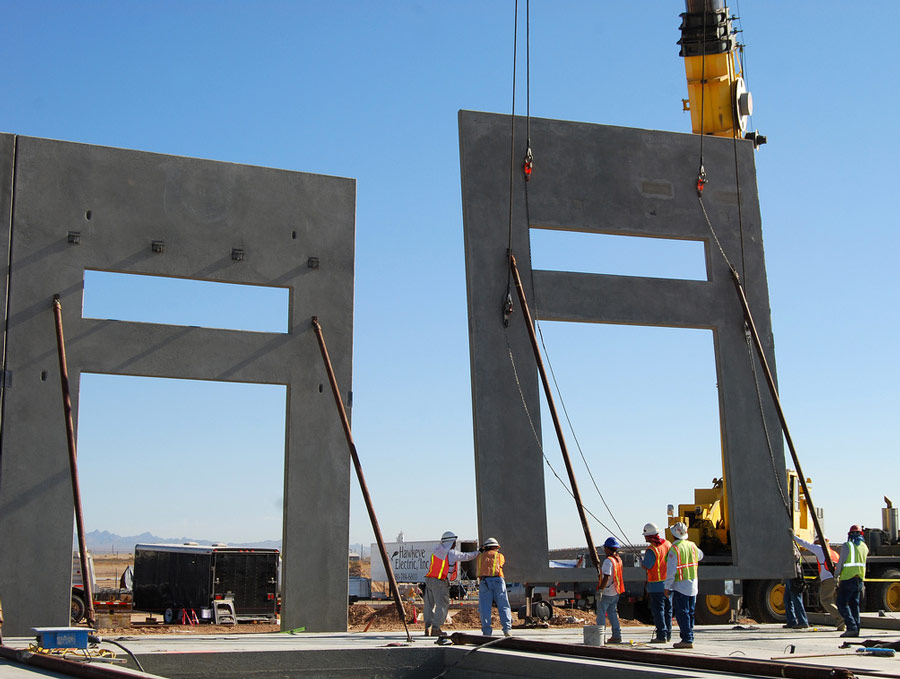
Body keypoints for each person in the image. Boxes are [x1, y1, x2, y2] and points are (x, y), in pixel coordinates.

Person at [423, 531, 478, 637]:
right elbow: (467, 556)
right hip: (439, 581)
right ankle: (436, 628)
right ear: (450, 542)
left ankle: (427, 626)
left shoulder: (436, 551)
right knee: (442, 605)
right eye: (454, 542)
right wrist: (478, 552)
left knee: (429, 605)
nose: (455, 544)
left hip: (429, 580)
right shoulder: (451, 553)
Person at [792, 530, 843, 630]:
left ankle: (841, 619)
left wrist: (794, 537)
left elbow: (805, 544)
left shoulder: (820, 549)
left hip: (827, 579)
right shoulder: (834, 553)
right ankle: (842, 625)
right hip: (836, 579)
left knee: (825, 600)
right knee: (834, 601)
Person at [664, 521, 704, 649]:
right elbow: (700, 556)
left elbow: (671, 571)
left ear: (673, 535)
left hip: (681, 586)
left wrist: (667, 586)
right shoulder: (692, 546)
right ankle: (689, 636)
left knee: (682, 613)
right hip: (693, 585)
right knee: (690, 613)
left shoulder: (674, 549)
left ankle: (686, 639)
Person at [640, 522, 672, 643]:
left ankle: (661, 636)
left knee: (659, 610)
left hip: (656, 585)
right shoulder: (668, 544)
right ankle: (668, 634)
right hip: (669, 584)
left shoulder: (652, 549)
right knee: (668, 610)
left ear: (649, 536)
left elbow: (647, 565)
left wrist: (642, 563)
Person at [835, 524, 869, 638]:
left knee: (841, 603)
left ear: (849, 534)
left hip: (847, 579)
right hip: (859, 579)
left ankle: (851, 627)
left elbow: (840, 563)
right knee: (854, 604)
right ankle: (856, 628)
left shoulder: (847, 546)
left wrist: (836, 574)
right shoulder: (864, 547)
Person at [476, 537, 512, 637]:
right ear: (496, 547)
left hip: (484, 582)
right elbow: (501, 564)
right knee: (503, 605)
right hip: (498, 581)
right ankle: (507, 629)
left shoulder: (480, 557)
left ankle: (486, 632)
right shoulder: (499, 556)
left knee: (485, 608)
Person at [597, 536, 625, 644]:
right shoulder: (618, 560)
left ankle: (600, 637)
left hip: (607, 592)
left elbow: (607, 576)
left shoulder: (608, 561)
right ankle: (617, 635)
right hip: (616, 591)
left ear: (608, 548)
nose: (604, 550)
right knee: (612, 613)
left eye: (605, 548)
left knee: (601, 613)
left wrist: (600, 590)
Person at [783, 542, 809, 629]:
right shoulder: (789, 544)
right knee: (787, 599)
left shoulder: (791, 545)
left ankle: (802, 621)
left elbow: (794, 557)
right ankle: (791, 621)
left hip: (794, 576)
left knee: (796, 598)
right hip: (789, 575)